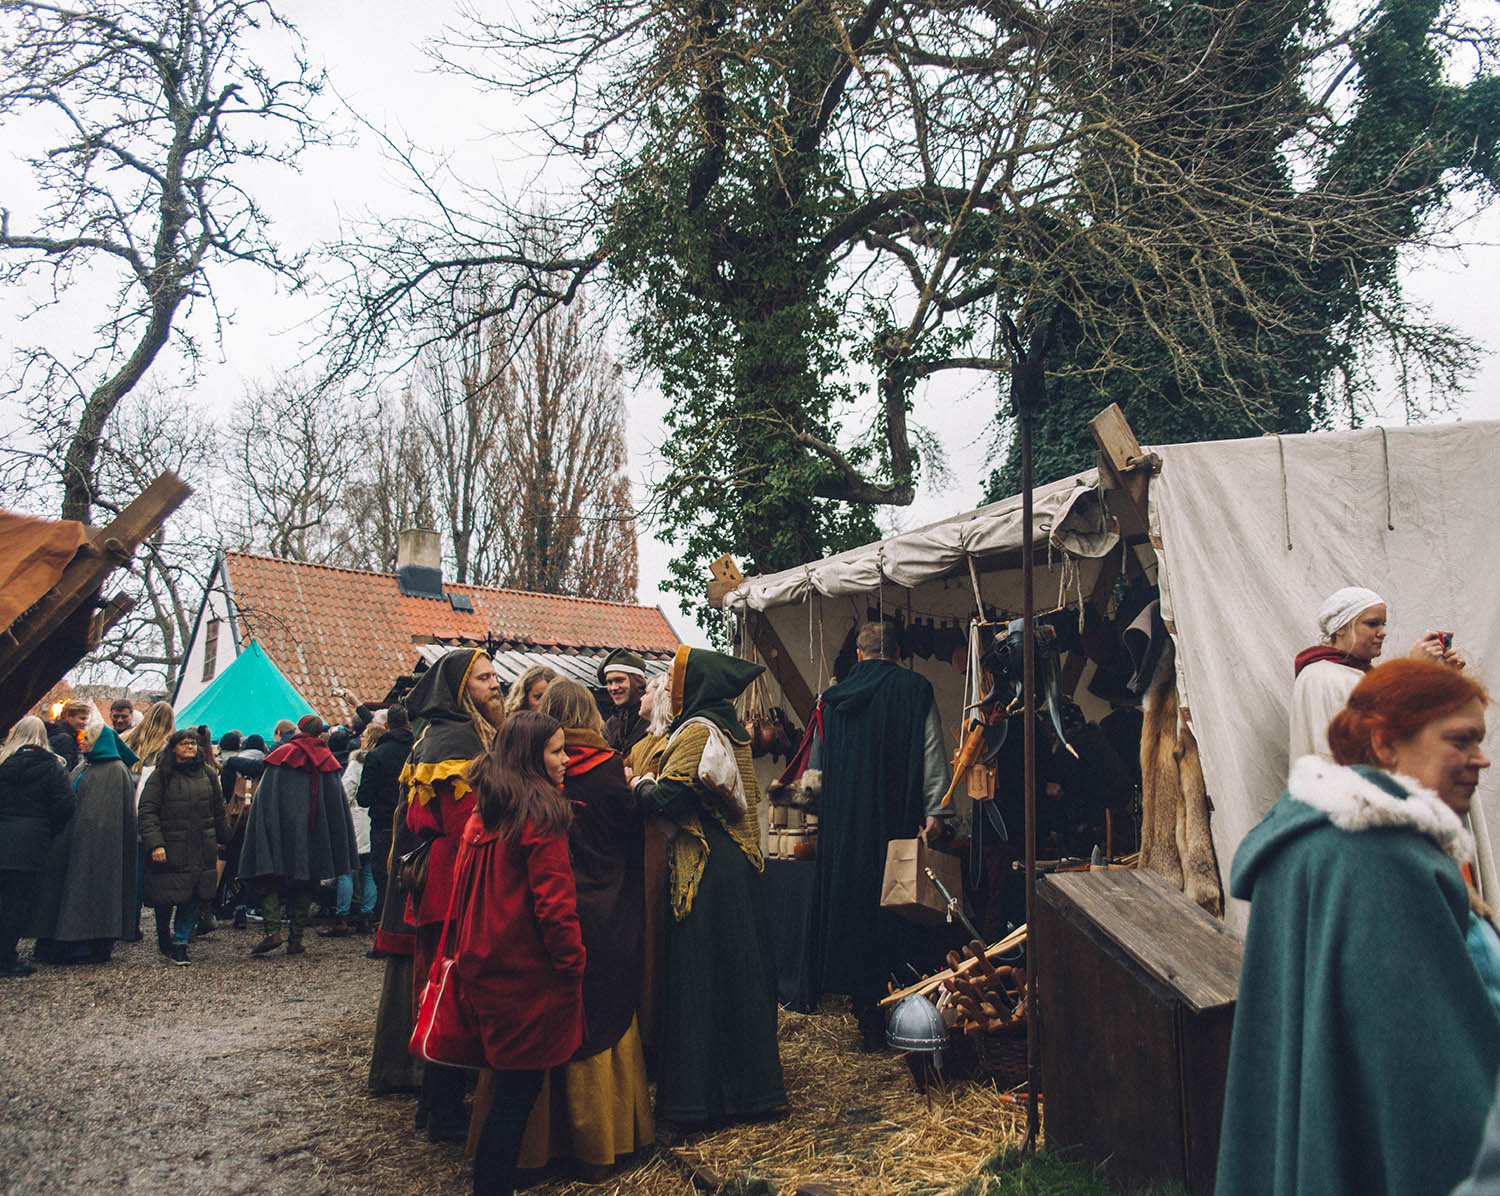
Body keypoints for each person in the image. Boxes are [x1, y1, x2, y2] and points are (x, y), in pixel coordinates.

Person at [1217, 659, 1500, 1196]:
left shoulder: (1316, 842)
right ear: (1386, 744)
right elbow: (1427, 1082)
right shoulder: (1380, 860)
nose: (1480, 760)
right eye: (1461, 741)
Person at [628, 646, 786, 1124]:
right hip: (729, 867)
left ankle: (703, 1100)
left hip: (709, 868)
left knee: (704, 974)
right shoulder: (723, 726)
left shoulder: (698, 730)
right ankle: (748, 1092)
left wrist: (638, 784)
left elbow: (672, 798)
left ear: (692, 687)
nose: (670, 689)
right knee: (734, 973)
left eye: (675, 680)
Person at [519, 680, 652, 1178]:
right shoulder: (607, 772)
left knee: (546, 1015)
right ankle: (598, 1142)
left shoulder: (526, 772)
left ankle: (536, 1144)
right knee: (603, 1012)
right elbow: (630, 837)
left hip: (542, 911)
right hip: (605, 907)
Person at [452, 711, 585, 1196]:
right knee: (514, 1098)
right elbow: (555, 905)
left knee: (507, 1092)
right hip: (525, 972)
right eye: (556, 751)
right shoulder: (541, 814)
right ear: (532, 756)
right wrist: (571, 963)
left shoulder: (486, 809)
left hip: (485, 962)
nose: (565, 759)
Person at [812, 621, 952, 1047]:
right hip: (896, 824)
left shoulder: (832, 700)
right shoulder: (913, 688)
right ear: (897, 652)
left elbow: (818, 767)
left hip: (845, 829)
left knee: (855, 911)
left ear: (858, 654)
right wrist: (937, 809)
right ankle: (908, 1014)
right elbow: (932, 750)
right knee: (900, 909)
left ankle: (867, 1020)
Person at [403, 648, 505, 1141]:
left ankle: (434, 1103)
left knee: (444, 987)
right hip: (455, 881)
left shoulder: (443, 734)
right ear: (461, 689)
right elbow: (463, 824)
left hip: (448, 878)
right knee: (453, 990)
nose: (495, 684)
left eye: (494, 676)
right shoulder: (457, 739)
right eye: (484, 678)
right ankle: (441, 1109)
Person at [1289, 585, 1456, 761]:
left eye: (1383, 624)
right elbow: (1381, 736)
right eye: (1372, 623)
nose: (1383, 632)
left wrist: (1444, 679)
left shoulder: (1362, 675)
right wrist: (1414, 672)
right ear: (1340, 627)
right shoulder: (1321, 677)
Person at [237, 714, 358, 957]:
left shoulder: (282, 755)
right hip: (313, 831)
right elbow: (336, 804)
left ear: (299, 729)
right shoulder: (328, 760)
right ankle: (295, 939)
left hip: (279, 826)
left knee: (268, 875)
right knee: (307, 879)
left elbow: (265, 796)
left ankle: (273, 931)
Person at [29, 722, 139, 965]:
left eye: (87, 737)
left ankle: (86, 944)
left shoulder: (115, 771)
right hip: (72, 841)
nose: (82, 740)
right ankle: (58, 941)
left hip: (97, 848)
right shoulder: (83, 766)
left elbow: (106, 819)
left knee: (92, 890)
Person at [138, 729, 230, 966]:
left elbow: (218, 808)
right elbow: (148, 811)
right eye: (185, 744)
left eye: (193, 743)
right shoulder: (161, 776)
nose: (190, 747)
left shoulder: (207, 774)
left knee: (192, 895)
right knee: (165, 896)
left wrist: (223, 837)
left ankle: (180, 943)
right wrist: (155, 844)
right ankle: (163, 936)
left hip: (201, 845)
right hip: (169, 846)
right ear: (174, 748)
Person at [0, 717, 75, 978]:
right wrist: (47, 829)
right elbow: (65, 805)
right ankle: (6, 958)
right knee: (15, 902)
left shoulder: (2, 762)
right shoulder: (53, 767)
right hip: (31, 841)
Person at [357, 703, 412, 930]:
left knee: (384, 877)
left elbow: (363, 798)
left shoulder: (376, 755)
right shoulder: (419, 750)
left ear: (387, 726)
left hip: (383, 823)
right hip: (411, 822)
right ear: (409, 725)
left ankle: (385, 927)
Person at [323, 721, 381, 937]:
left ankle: (342, 918)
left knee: (347, 870)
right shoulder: (382, 761)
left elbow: (345, 792)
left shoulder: (357, 762)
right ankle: (367, 916)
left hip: (355, 821)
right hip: (372, 821)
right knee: (369, 872)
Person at [217, 733, 268, 928]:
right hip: (257, 822)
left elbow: (225, 792)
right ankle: (250, 905)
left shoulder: (231, 765)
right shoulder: (267, 765)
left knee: (231, 865)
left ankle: (231, 905)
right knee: (253, 867)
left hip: (235, 822)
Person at [599, 648, 650, 754]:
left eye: (619, 680)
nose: (613, 687)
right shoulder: (611, 725)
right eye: (609, 682)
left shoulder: (653, 718)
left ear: (637, 682)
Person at [47, 699, 92, 771]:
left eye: (87, 719)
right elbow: (66, 770)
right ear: (68, 716)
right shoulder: (65, 739)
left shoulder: (57, 732)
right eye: (82, 718)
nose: (85, 723)